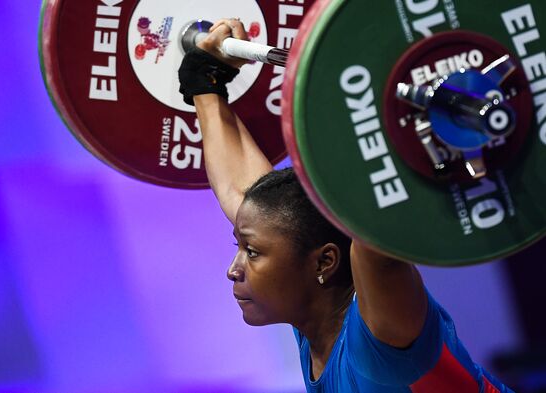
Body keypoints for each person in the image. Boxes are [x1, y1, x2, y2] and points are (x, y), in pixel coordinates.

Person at [178, 18, 513, 392]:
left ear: (324, 262)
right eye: (241, 247)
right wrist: (204, 83)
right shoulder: (312, 316)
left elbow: (375, 233)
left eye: (252, 252)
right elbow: (247, 199)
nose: (233, 270)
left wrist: (406, 125)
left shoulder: (381, 337)